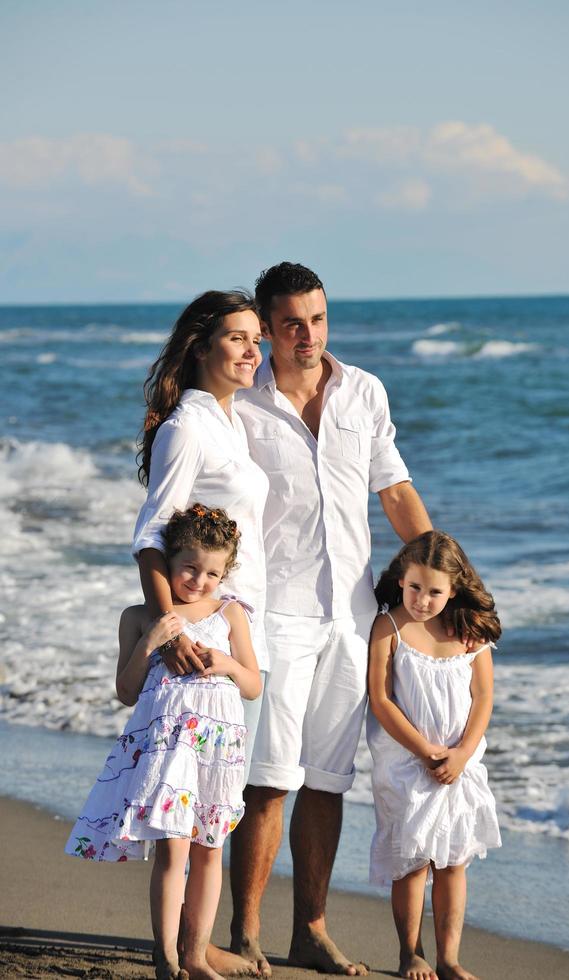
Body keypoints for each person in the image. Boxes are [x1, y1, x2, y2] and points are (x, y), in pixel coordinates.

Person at [227, 262, 433, 976]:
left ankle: (309, 930)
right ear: (265, 325)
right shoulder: (239, 403)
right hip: (272, 616)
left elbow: (395, 489)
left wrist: (443, 577)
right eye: (290, 323)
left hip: (352, 617)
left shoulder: (363, 391)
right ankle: (245, 931)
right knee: (268, 781)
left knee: (326, 779)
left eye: (316, 319)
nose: (306, 335)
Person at [65, 504, 262, 980]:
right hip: (169, 750)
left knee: (210, 848)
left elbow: (253, 683)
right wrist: (151, 640)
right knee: (174, 848)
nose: (199, 580)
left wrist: (228, 665)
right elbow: (125, 691)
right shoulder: (137, 617)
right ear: (167, 563)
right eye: (189, 567)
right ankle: (169, 956)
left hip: (218, 750)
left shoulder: (230, 613)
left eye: (212, 572)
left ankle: (196, 954)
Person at [133, 290, 269, 784]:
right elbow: (151, 533)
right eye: (238, 339)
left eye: (257, 340)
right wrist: (172, 632)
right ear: (201, 347)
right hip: (202, 642)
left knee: (214, 809)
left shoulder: (231, 422)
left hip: (238, 633)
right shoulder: (187, 427)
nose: (253, 351)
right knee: (192, 815)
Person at [367, 530, 502, 980]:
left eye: (435, 592)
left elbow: (483, 697)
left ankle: (449, 958)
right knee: (413, 859)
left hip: (459, 765)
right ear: (401, 580)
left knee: (453, 860)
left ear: (455, 588)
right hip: (407, 761)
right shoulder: (390, 627)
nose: (423, 600)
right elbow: (381, 699)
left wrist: (462, 753)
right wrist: (425, 751)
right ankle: (411, 953)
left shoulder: (468, 633)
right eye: (415, 588)